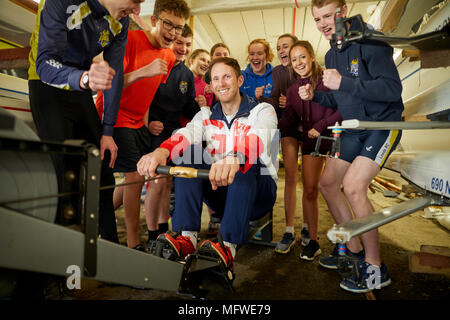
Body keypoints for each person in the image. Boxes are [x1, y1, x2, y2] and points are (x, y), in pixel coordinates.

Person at [136, 57, 278, 273]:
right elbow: (186, 133)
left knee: (248, 160)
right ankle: (187, 238)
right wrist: (160, 152)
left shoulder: (262, 110)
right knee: (190, 152)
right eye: (216, 79)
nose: (222, 83)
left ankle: (227, 247)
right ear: (210, 85)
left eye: (227, 77)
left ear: (240, 80)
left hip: (258, 194)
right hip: (220, 193)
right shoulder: (206, 115)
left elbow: (259, 136)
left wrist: (235, 157)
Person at [300, 0, 403, 292]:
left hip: (383, 125)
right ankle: (354, 251)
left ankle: (375, 268)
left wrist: (343, 82)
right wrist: (315, 97)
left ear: (343, 12)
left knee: (354, 186)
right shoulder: (333, 52)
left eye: (328, 16)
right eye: (318, 18)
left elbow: (393, 89)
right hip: (354, 128)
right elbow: (339, 99)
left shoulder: (372, 41)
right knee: (328, 184)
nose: (323, 24)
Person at [28, 0, 145, 242]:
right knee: (64, 171)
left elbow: (115, 74)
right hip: (48, 82)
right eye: (135, 1)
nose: (137, 11)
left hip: (82, 84)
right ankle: (61, 252)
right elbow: (44, 63)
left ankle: (109, 244)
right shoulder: (61, 1)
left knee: (102, 166)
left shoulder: (120, 20)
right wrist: (83, 78)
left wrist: (108, 131)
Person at [95, 0, 190, 250]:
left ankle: (92, 217)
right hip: (113, 115)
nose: (173, 32)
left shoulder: (169, 56)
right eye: (168, 24)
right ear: (155, 20)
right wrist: (142, 71)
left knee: (132, 181)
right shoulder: (130, 40)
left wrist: (146, 122)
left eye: (179, 28)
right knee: (135, 177)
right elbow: (109, 84)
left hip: (138, 122)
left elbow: (146, 95)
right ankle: (134, 245)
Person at [277, 41, 342, 260]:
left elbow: (342, 110)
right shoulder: (292, 90)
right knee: (310, 189)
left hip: (335, 140)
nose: (299, 63)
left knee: (335, 192)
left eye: (302, 57)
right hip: (311, 143)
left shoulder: (327, 80)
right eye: (294, 59)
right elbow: (290, 120)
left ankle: (344, 241)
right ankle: (312, 241)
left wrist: (320, 126)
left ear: (312, 57)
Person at [144, 25, 201, 244]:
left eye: (188, 44)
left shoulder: (186, 72)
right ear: (172, 40)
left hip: (172, 132)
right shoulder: (158, 63)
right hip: (152, 131)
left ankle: (162, 228)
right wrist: (148, 122)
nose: (184, 49)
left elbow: (187, 107)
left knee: (167, 183)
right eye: (180, 43)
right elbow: (142, 97)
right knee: (156, 182)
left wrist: (203, 108)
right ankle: (151, 234)